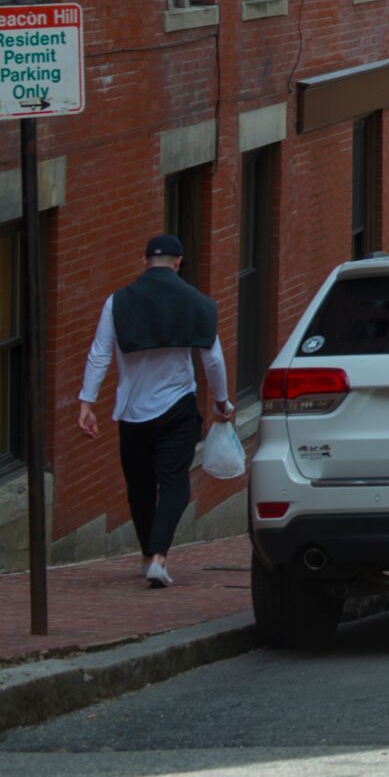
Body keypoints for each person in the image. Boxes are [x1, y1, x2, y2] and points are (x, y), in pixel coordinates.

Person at [77, 234, 232, 587]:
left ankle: (149, 554)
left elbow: (100, 352)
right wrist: (222, 402)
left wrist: (88, 401)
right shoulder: (197, 303)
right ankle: (159, 557)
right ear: (178, 262)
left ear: (144, 261)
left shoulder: (118, 302)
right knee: (175, 484)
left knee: (140, 486)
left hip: (132, 411)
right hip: (177, 405)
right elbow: (212, 358)